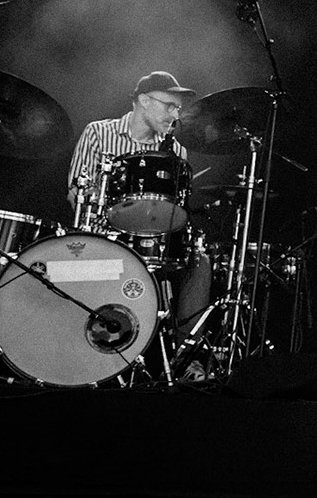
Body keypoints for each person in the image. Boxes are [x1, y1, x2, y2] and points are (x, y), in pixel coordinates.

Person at [65, 71, 209, 336]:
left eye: (177, 108)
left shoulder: (177, 151)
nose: (175, 115)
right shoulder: (98, 132)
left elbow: (175, 207)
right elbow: (77, 193)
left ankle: (185, 354)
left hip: (153, 242)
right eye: (169, 106)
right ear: (144, 100)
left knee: (201, 262)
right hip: (102, 238)